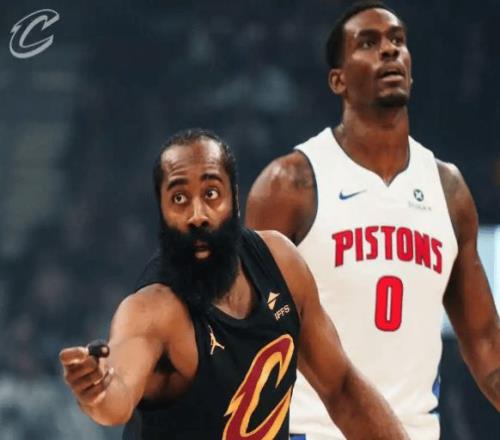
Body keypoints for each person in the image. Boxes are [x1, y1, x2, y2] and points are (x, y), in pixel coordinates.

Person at [245, 1, 500, 439]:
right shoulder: (289, 185)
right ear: (338, 79)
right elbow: (245, 337)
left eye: (398, 41)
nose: (389, 50)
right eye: (368, 42)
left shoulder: (448, 189)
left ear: (412, 70)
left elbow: (483, 340)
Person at [59, 129, 409, 439]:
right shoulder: (153, 310)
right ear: (161, 211)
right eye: (179, 198)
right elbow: (116, 400)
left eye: (211, 193)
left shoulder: (281, 265)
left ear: (235, 199)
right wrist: (98, 390)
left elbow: (342, 389)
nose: (197, 214)